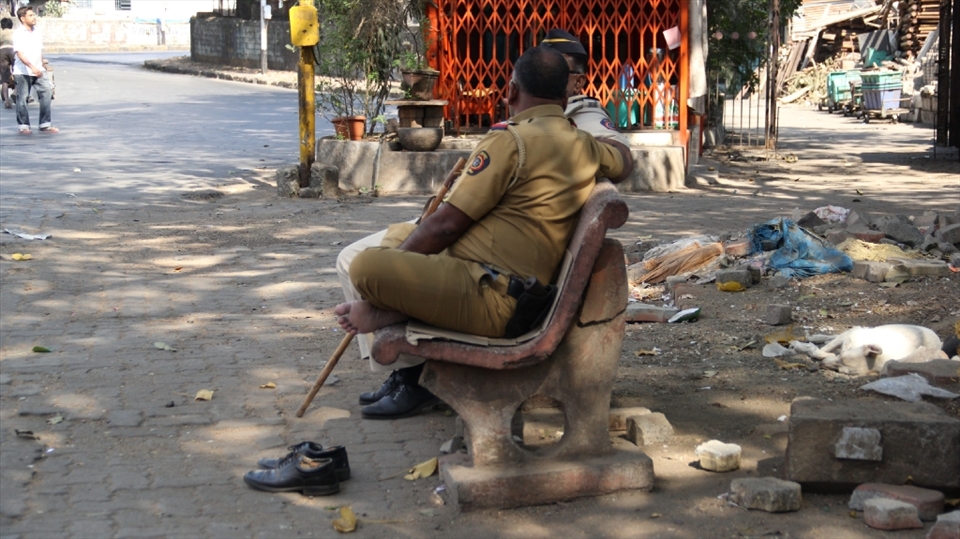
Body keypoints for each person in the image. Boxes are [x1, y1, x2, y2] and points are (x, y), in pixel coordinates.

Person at [335, 29, 635, 420]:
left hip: (493, 297)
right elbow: (625, 159)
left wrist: (382, 293)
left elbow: (445, 226)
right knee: (395, 241)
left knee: (366, 266)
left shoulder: (511, 142)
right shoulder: (584, 145)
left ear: (511, 91)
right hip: (498, 283)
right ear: (565, 98)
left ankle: (388, 322)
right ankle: (394, 333)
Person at [12, 5, 57, 134]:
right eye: (30, 15)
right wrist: (32, 67)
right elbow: (20, 53)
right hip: (23, 71)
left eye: (33, 15)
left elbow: (39, 50)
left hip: (39, 70)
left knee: (47, 92)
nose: (34, 17)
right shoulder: (19, 33)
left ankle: (45, 124)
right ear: (22, 19)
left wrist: (42, 64)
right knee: (22, 99)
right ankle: (24, 126)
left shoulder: (36, 31)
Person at [1, 17, 14, 108]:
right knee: (18, 73)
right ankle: (16, 93)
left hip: (2, 52)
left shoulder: (0, 33)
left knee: (4, 78)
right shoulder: (15, 32)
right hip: (13, 50)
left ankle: (6, 101)